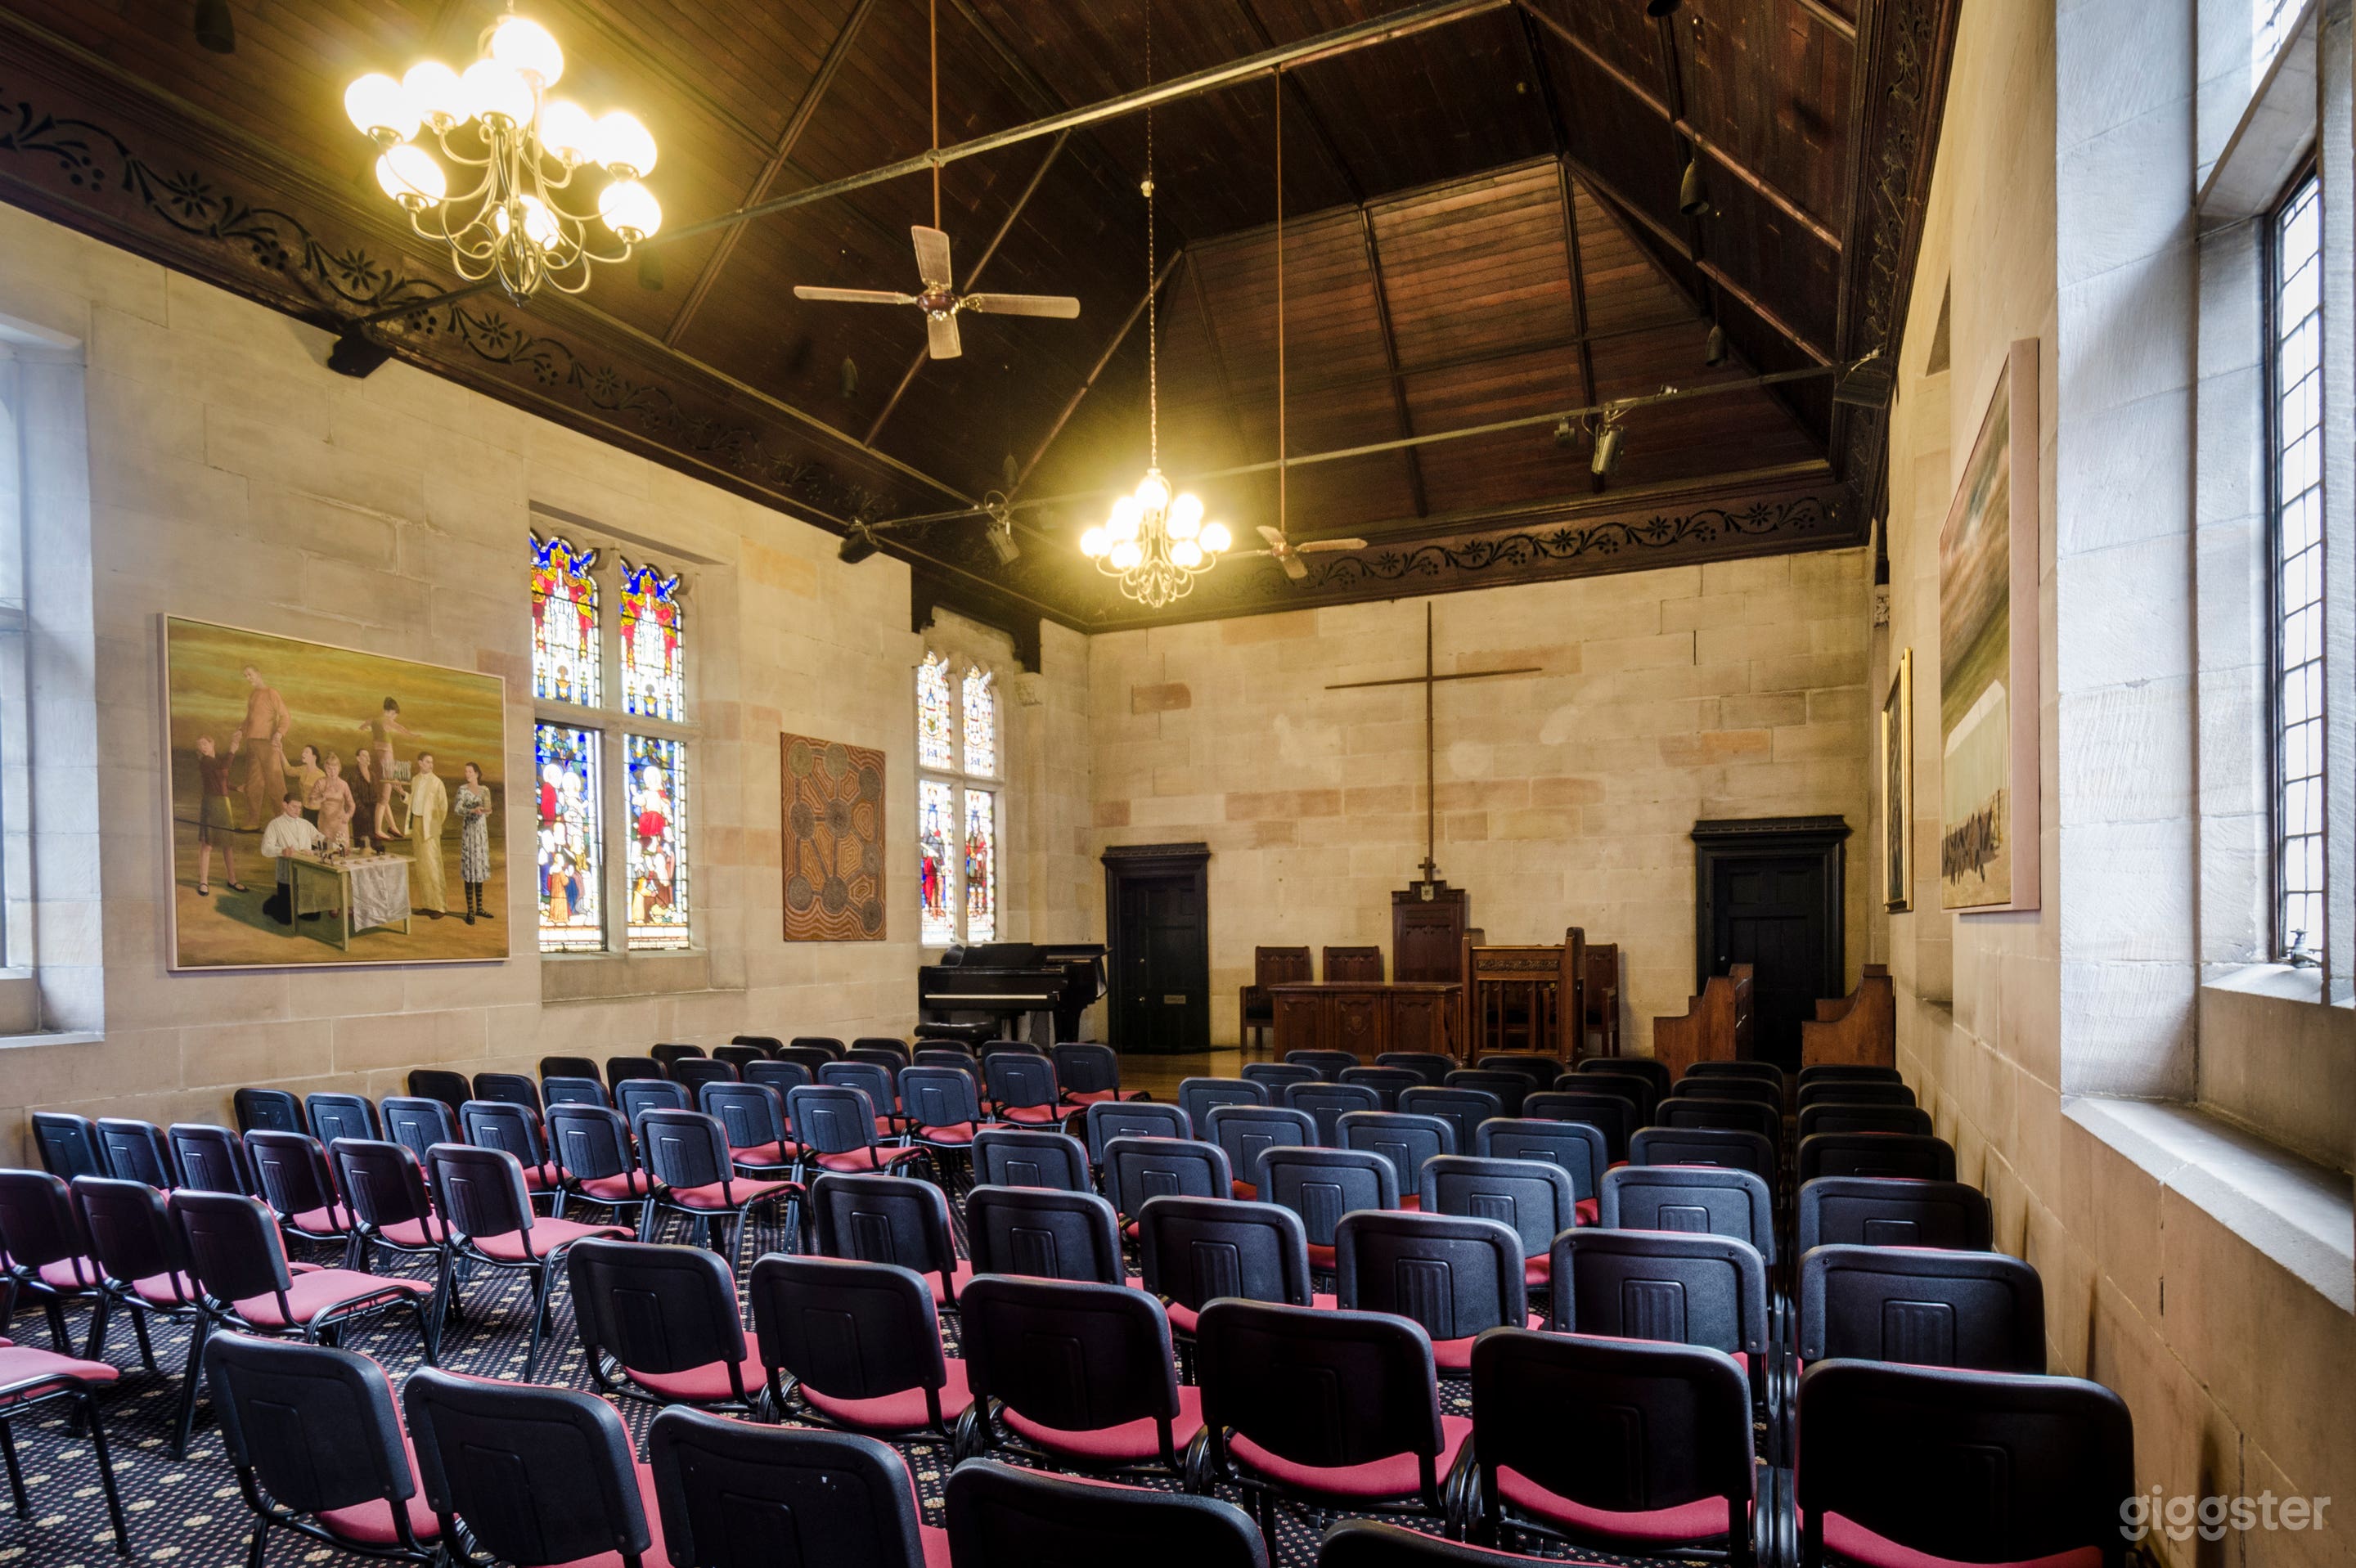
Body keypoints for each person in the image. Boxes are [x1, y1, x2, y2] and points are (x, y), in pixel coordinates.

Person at [227, 663, 290, 831]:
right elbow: (249, 718)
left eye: (250, 674)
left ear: (259, 674)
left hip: (268, 744)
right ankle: (253, 822)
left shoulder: (271, 693)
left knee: (276, 784)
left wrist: (279, 734)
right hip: (252, 743)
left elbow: (285, 716)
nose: (248, 678)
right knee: (253, 784)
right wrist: (240, 730)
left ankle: (285, 823)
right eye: (245, 676)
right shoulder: (253, 695)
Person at [191, 734, 247, 896]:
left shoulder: (214, 762)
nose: (202, 747)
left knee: (227, 843)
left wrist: (237, 788)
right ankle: (203, 882)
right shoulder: (206, 761)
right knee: (207, 844)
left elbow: (222, 780)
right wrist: (232, 749)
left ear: (212, 743)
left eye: (204, 744)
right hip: (211, 804)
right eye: (200, 745)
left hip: (224, 804)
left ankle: (232, 879)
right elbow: (224, 767)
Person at [356, 698, 419, 842]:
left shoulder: (373, 720)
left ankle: (392, 826)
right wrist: (412, 735)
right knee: (384, 797)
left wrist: (364, 728)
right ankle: (378, 830)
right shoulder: (387, 720)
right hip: (386, 758)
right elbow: (401, 729)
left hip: (377, 759)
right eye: (395, 715)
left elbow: (363, 726)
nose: (395, 718)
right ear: (391, 712)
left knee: (384, 795)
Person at [259, 792, 321, 926]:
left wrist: (339, 846)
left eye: (299, 808)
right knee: (286, 919)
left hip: (305, 876)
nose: (297, 811)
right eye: (294, 807)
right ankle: (272, 902)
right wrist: (282, 851)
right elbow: (265, 849)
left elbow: (321, 839)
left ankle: (293, 906)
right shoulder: (275, 825)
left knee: (313, 916)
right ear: (285, 805)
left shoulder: (305, 824)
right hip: (287, 876)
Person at [408, 751, 449, 918]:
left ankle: (440, 906)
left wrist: (434, 826)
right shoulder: (415, 780)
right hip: (417, 824)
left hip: (430, 827)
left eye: (432, 762)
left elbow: (443, 807)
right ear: (420, 763)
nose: (431, 765)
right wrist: (403, 794)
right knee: (421, 866)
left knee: (433, 865)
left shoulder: (437, 782)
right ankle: (427, 904)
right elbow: (414, 802)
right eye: (427, 762)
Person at [455, 761, 493, 926]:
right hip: (470, 832)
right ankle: (470, 910)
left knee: (479, 869)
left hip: (481, 833)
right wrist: (472, 810)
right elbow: (457, 809)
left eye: (470, 772)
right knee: (470, 870)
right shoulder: (462, 790)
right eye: (466, 772)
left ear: (477, 773)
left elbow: (489, 810)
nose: (467, 774)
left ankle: (480, 908)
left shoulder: (485, 790)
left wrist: (484, 810)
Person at [309, 751, 356, 850]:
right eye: (329, 769)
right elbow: (311, 801)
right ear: (325, 769)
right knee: (326, 850)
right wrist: (321, 799)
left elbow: (352, 804)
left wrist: (348, 815)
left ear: (339, 768)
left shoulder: (344, 785)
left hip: (340, 823)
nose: (332, 772)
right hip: (325, 823)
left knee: (343, 850)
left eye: (335, 769)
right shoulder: (321, 782)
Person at [283, 744, 324, 827]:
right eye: (303, 752)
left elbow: (326, 796)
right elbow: (288, 770)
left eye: (306, 752)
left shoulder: (321, 775)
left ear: (314, 757)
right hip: (306, 809)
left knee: (315, 833)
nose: (303, 754)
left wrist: (316, 801)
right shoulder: (303, 769)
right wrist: (280, 751)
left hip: (318, 812)